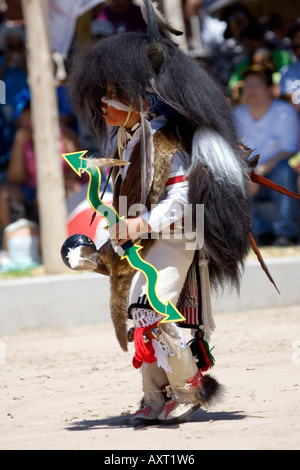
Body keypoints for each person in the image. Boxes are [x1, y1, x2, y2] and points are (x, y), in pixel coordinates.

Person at [61, 0, 252, 427]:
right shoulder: (125, 144)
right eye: (103, 95)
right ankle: (154, 396)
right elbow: (125, 209)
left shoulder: (166, 141)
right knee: (137, 313)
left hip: (180, 235)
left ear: (138, 97)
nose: (105, 104)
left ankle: (189, 389)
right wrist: (98, 252)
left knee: (151, 308)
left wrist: (140, 224)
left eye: (113, 94)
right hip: (145, 239)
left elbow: (183, 201)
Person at [234, 65, 299, 246]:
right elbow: (233, 150)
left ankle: (286, 231)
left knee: (284, 170)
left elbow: (289, 149)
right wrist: (248, 173)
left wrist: (259, 171)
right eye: (247, 85)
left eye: (257, 85)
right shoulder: (236, 114)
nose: (251, 90)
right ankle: (259, 231)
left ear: (271, 89)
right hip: (249, 174)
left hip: (275, 174)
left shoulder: (284, 112)